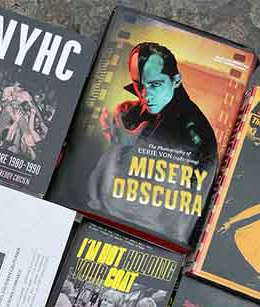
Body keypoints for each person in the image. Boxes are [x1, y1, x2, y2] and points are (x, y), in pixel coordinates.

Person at [88, 42, 218, 243]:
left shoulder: (192, 133)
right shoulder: (149, 104)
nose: (145, 96)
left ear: (175, 81)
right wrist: (121, 124)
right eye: (139, 85)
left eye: (155, 85)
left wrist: (123, 142)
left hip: (149, 226)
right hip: (111, 212)